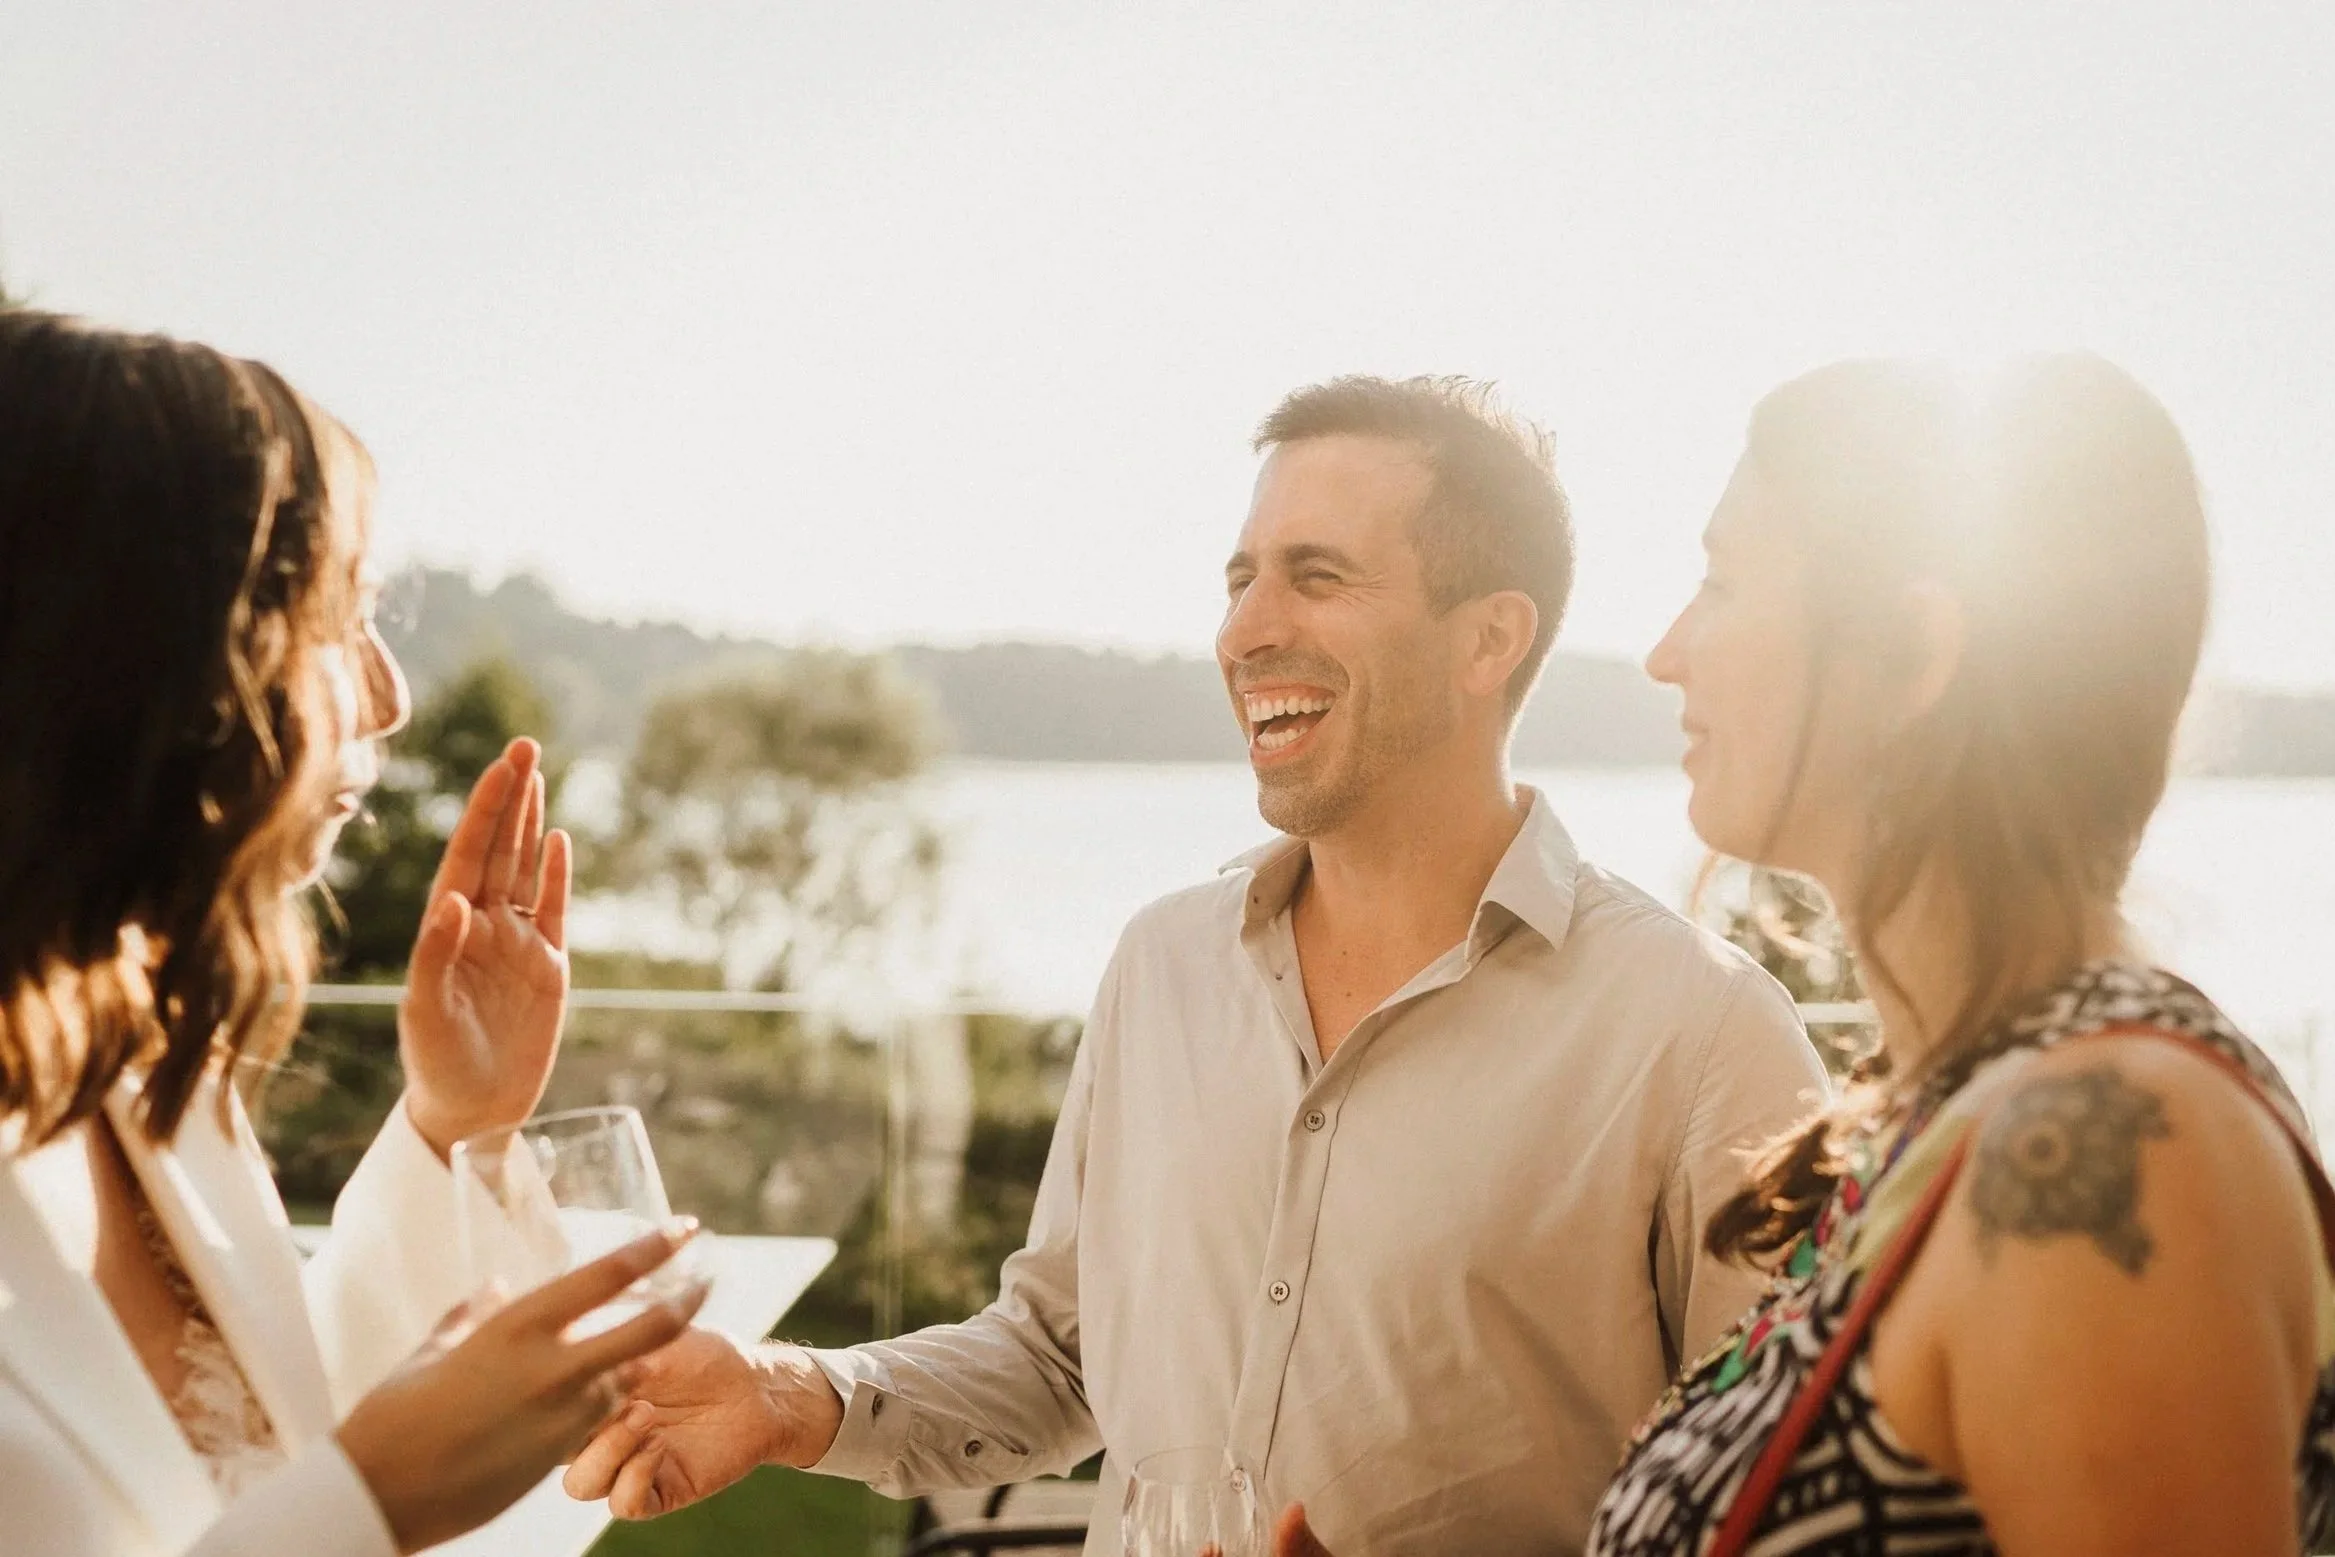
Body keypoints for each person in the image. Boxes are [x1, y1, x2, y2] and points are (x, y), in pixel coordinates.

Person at [565, 375, 1828, 1554]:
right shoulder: (1161, 967)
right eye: (1240, 578)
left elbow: (1770, 1513)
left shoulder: (1705, 1039)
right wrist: (791, 1395)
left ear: (1488, 638)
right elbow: (1061, 1359)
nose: (1246, 630)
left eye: (1316, 576)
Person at [0, 309, 707, 1557]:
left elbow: (252, 1452)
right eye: (335, 620)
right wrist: (362, 1511)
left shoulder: (153, 1067)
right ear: (126, 658)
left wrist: (452, 1124)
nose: (389, 693)